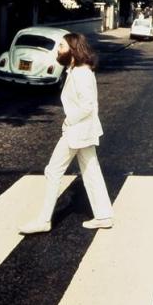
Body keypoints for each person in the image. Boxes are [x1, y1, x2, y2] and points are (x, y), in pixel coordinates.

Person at [19, 33, 113, 234]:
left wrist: (69, 121)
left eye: (61, 46)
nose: (58, 50)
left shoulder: (81, 73)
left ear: (73, 49)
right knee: (91, 171)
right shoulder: (77, 70)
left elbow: (87, 105)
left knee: (53, 171)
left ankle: (44, 220)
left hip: (77, 132)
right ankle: (104, 215)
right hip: (83, 130)